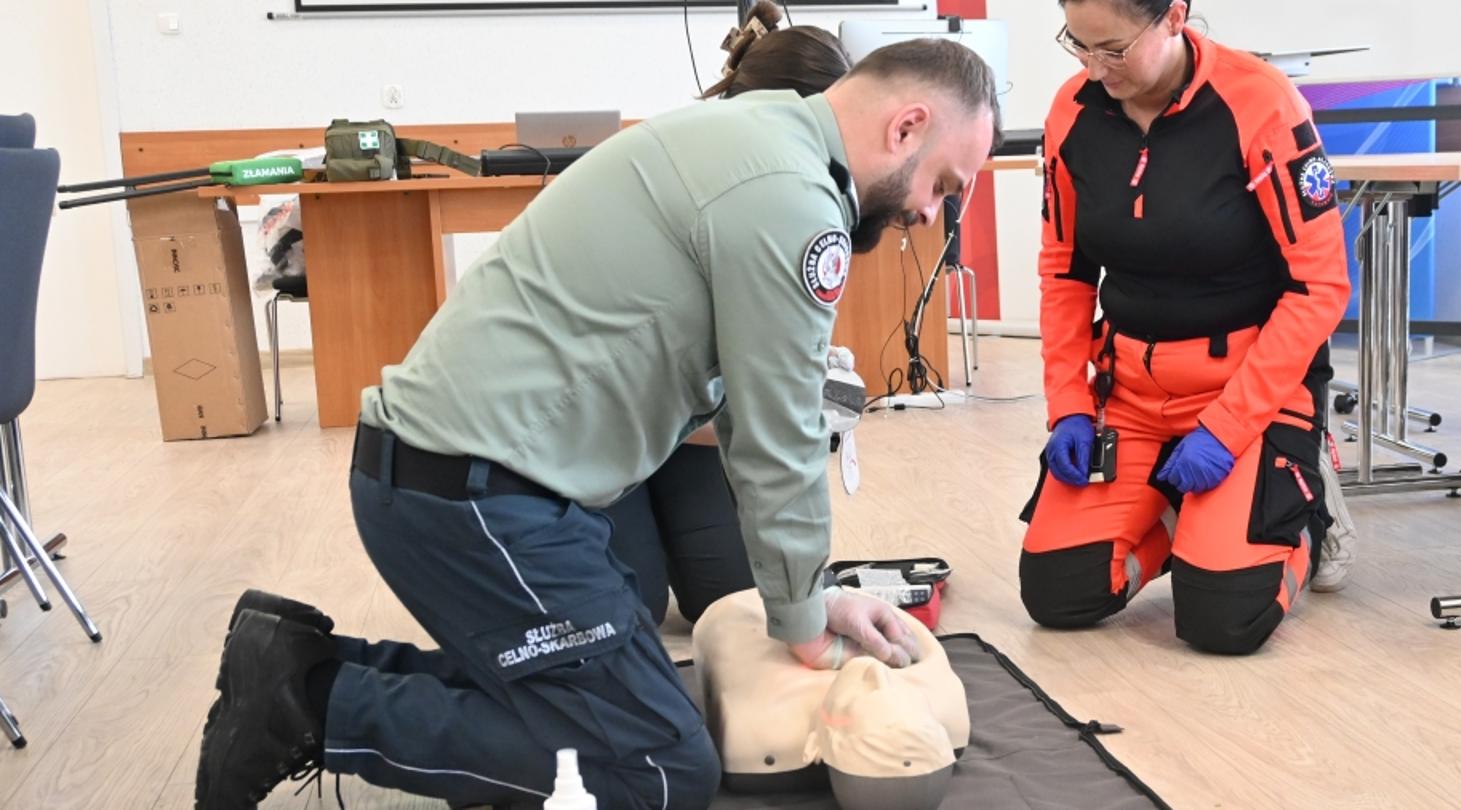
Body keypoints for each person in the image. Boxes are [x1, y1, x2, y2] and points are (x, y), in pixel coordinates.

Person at [195, 39, 1002, 810]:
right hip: (473, 500)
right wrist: (804, 622)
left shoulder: (747, 134)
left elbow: (736, 402)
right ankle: (311, 706)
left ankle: (299, 663)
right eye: (945, 184)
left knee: (610, 700)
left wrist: (811, 592)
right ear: (906, 127)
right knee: (657, 765)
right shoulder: (795, 201)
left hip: (457, 479)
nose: (933, 214)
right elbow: (779, 439)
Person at [1017, 0, 1352, 656]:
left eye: (1113, 48)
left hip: (1245, 397)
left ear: (1174, 16)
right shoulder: (1074, 111)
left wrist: (1227, 430)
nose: (1093, 67)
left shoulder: (1260, 103)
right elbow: (1064, 272)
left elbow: (1320, 288)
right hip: (1134, 395)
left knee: (1222, 621)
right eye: (1077, 45)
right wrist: (1069, 406)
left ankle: (1308, 515)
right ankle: (1184, 514)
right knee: (1059, 593)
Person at [603, 0, 856, 630]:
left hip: (685, 428)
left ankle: (656, 531)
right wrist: (794, 403)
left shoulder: (796, 191)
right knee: (625, 609)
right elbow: (658, 397)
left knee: (730, 597)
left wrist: (809, 375)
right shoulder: (698, 180)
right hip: (608, 429)